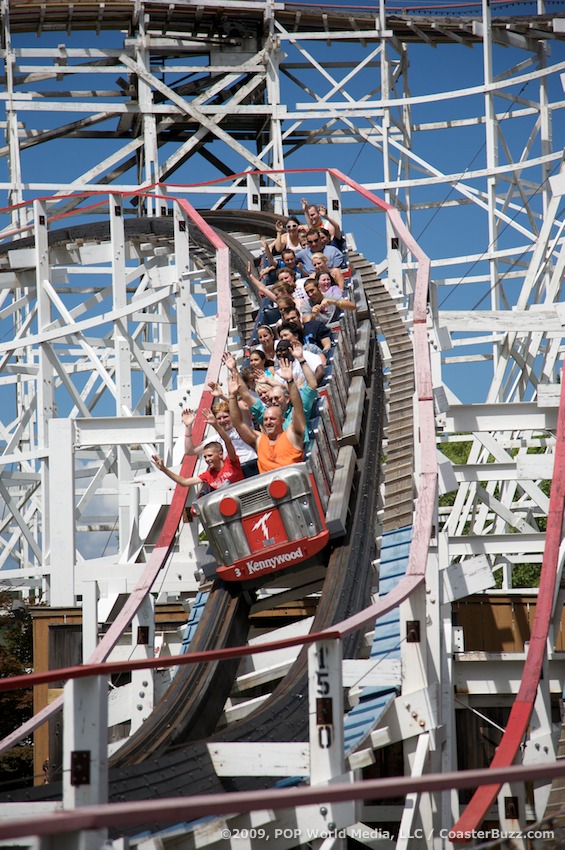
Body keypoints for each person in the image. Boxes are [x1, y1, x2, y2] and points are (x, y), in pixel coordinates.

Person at [228, 355, 305, 473]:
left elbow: (298, 408)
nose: (268, 422)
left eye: (272, 419)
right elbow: (238, 423)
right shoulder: (259, 441)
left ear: (282, 420)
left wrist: (290, 381)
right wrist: (232, 396)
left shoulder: (292, 434)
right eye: (266, 419)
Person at [152, 408, 244, 491]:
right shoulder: (208, 475)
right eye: (205, 457)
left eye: (210, 456)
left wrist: (216, 425)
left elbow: (228, 442)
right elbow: (184, 482)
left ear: (220, 454)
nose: (207, 459)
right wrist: (164, 469)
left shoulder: (231, 462)